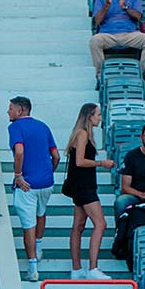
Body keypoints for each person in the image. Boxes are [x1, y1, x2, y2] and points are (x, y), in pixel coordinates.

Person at [8, 95, 60, 283]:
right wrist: (48, 172)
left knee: (28, 224)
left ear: (20, 110)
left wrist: (18, 175)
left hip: (27, 184)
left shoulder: (15, 127)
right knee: (41, 212)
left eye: (11, 108)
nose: (8, 111)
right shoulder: (43, 126)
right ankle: (39, 247)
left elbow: (19, 151)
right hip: (46, 182)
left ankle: (32, 268)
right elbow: (56, 156)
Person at [62, 103, 109, 278]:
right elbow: (80, 161)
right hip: (84, 186)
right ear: (90, 116)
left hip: (81, 185)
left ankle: (76, 269)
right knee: (100, 224)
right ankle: (93, 268)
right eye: (98, 114)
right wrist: (101, 163)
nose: (100, 118)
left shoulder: (84, 134)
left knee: (78, 226)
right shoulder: (82, 134)